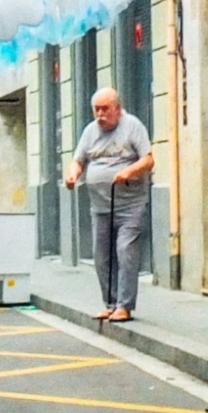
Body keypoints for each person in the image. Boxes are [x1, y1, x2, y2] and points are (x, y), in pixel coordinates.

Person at [62, 87, 154, 323]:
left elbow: (148, 158)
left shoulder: (133, 126)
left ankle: (124, 306)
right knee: (102, 257)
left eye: (105, 109)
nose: (101, 114)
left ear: (117, 109)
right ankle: (110, 303)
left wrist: (128, 171)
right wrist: (73, 176)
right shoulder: (90, 132)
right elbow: (78, 160)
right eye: (97, 110)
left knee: (125, 252)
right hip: (100, 207)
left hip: (130, 205)